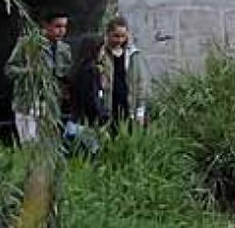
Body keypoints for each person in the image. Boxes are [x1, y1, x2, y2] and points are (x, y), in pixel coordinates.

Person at [8, 10, 77, 142]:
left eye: (64, 27)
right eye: (57, 26)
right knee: (30, 144)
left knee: (49, 144)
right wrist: (30, 71)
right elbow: (10, 69)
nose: (61, 31)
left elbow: (66, 73)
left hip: (51, 104)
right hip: (28, 101)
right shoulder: (28, 44)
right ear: (46, 26)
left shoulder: (64, 49)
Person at [76, 16, 147, 133]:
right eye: (116, 36)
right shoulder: (100, 53)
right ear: (108, 34)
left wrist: (140, 109)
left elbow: (140, 82)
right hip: (107, 103)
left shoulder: (133, 54)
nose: (119, 40)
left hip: (127, 102)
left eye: (123, 36)